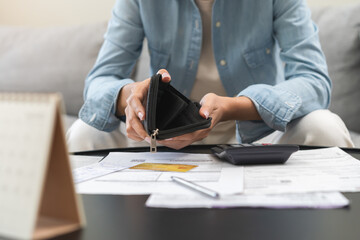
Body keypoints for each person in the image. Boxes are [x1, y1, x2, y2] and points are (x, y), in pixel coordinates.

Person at [67, 0, 354, 152]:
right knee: (84, 133)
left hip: (255, 134)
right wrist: (130, 98)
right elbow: (101, 79)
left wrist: (234, 107)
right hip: (159, 138)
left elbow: (313, 80)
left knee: (324, 126)